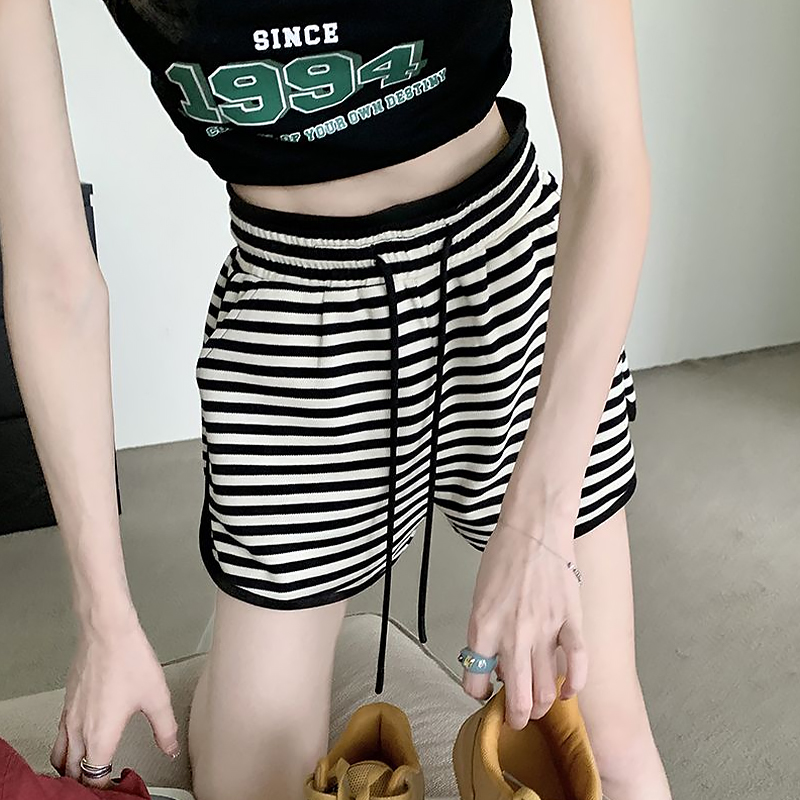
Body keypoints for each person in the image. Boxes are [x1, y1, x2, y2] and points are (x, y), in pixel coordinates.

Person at [0, 1, 672, 799]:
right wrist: (102, 613)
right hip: (293, 306)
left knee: (603, 740)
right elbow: (51, 271)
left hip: (509, 284)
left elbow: (610, 162)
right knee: (248, 778)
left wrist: (542, 521)